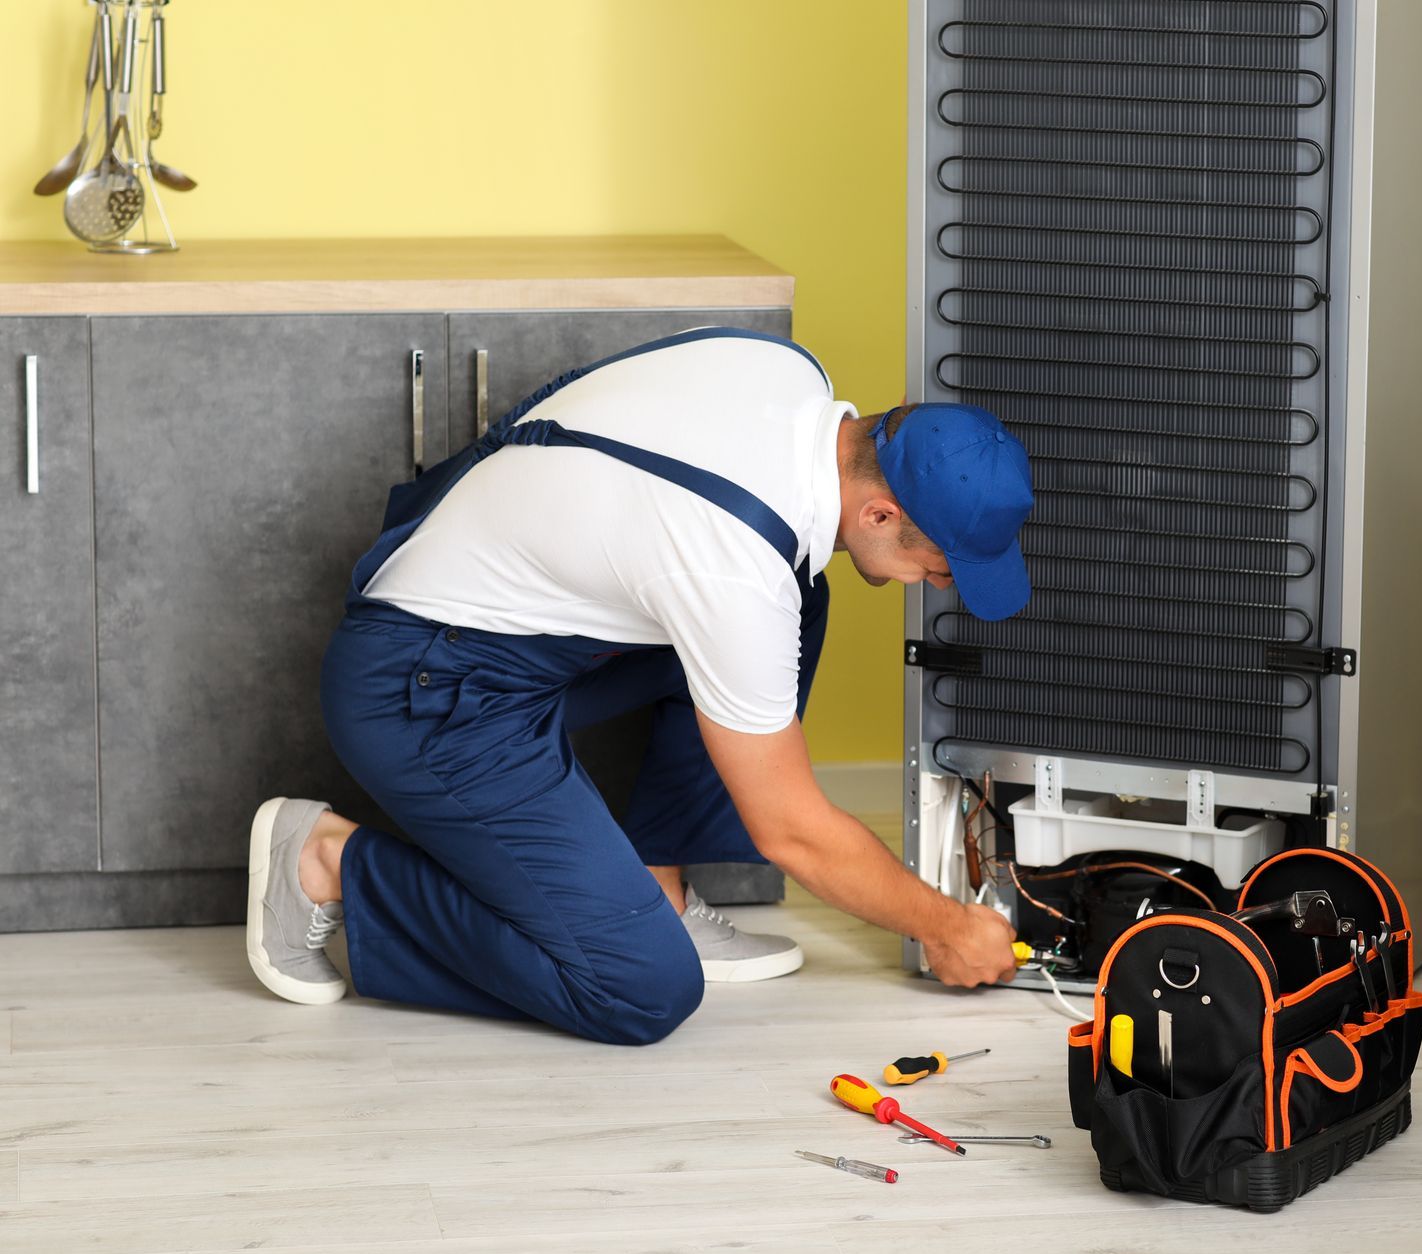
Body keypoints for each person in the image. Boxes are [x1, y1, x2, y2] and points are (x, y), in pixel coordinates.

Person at [242, 327, 1031, 1045]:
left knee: (802, 591)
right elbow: (791, 831)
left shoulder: (792, 377)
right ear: (883, 512)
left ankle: (658, 884)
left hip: (499, 628)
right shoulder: (733, 565)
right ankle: (325, 858)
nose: (938, 585)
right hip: (425, 691)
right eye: (941, 566)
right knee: (638, 988)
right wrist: (945, 924)